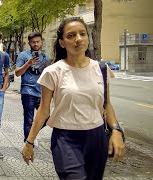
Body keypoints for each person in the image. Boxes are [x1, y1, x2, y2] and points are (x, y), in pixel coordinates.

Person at [21, 17, 125, 180]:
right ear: (62, 43)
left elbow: (106, 104)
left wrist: (116, 130)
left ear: (87, 38)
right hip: (66, 139)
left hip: (97, 138)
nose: (78, 39)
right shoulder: (53, 72)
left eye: (82, 34)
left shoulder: (101, 69)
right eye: (71, 36)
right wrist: (29, 142)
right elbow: (44, 110)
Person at [15, 32, 50, 147]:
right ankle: (28, 143)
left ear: (41, 42)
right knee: (29, 118)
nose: (35, 44)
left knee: (47, 117)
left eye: (37, 41)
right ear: (29, 43)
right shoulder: (23, 55)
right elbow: (17, 73)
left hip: (43, 93)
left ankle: (32, 133)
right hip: (28, 91)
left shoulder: (46, 57)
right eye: (33, 42)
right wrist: (28, 63)